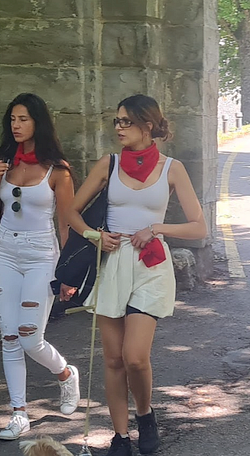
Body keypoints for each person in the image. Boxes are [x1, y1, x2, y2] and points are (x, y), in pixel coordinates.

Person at [64, 94, 208, 456]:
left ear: (148, 125)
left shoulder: (172, 168)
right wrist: (96, 235)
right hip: (112, 264)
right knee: (112, 358)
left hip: (150, 265)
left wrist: (157, 227)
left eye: (126, 121)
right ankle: (120, 437)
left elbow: (198, 228)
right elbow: (71, 212)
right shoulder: (108, 164)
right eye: (116, 121)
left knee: (134, 357)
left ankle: (145, 415)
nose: (119, 128)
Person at [0, 93, 81, 440]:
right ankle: (18, 413)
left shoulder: (58, 170)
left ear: (38, 121)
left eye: (23, 118)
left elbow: (66, 223)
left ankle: (66, 374)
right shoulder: (4, 163)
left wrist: (68, 273)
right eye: (12, 119)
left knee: (29, 336)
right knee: (8, 336)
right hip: (5, 251)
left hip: (42, 254)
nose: (17, 125)